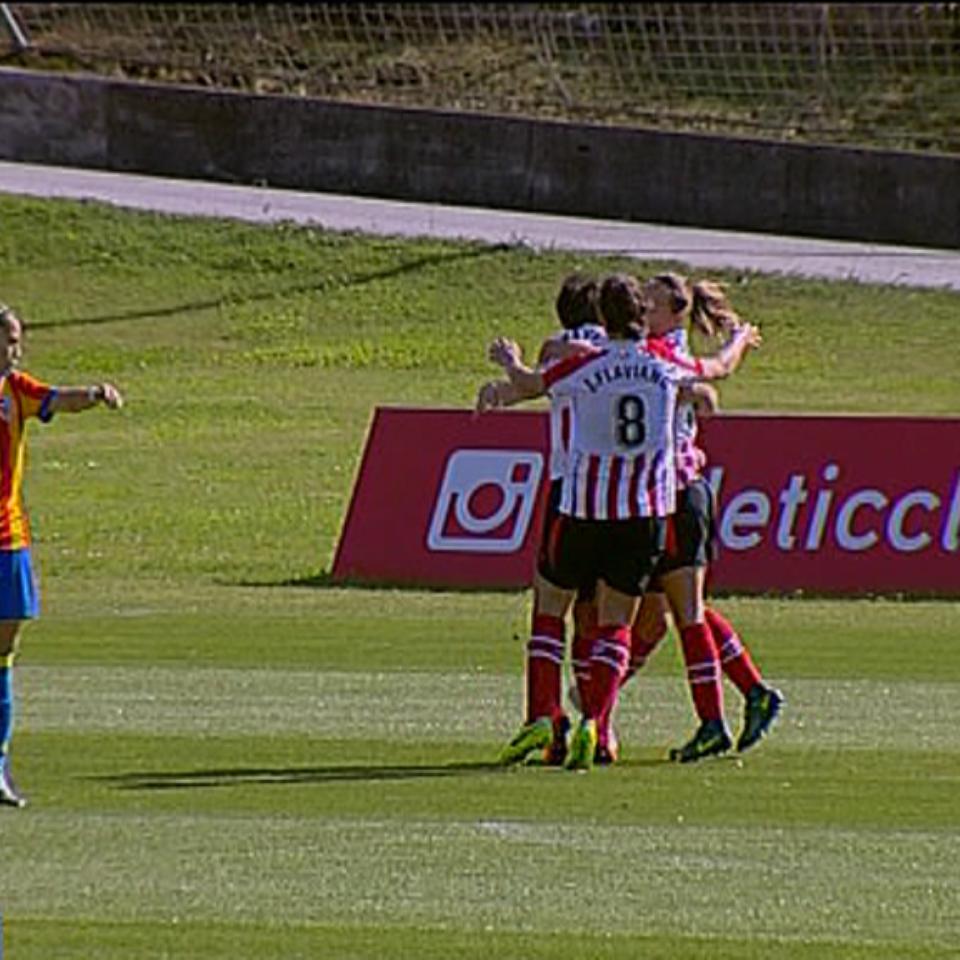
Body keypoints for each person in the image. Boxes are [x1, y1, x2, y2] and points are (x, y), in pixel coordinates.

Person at [479, 274, 760, 771]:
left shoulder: (583, 362)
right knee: (618, 624)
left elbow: (529, 385)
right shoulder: (665, 363)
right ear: (641, 315)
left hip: (582, 509)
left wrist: (510, 363)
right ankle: (595, 720)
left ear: (603, 319)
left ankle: (542, 715)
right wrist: (739, 340)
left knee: (551, 611)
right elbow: (718, 370)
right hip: (643, 516)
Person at [604, 272, 783, 763]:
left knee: (686, 613)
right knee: (681, 609)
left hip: (677, 493)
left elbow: (711, 389)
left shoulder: (662, 352)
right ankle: (751, 692)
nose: (643, 312)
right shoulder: (658, 350)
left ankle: (713, 721)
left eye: (652, 306)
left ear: (674, 314)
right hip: (663, 496)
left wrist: (731, 351)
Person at [0, 303, 124, 808]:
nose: (17, 348)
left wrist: (94, 394)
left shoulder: (15, 390)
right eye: (10, 339)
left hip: (8, 541)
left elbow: (56, 398)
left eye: (18, 339)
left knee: (4, 652)